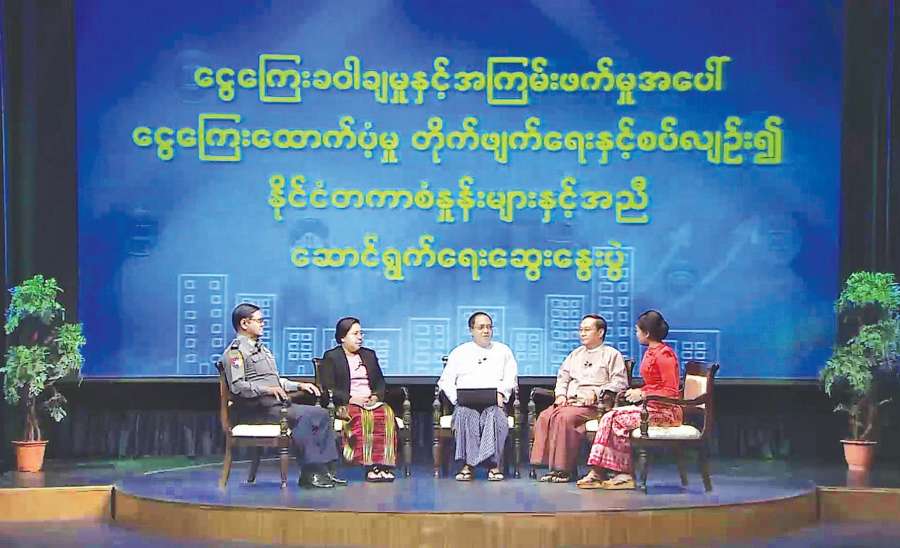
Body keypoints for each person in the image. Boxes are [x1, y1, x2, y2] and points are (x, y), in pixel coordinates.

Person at [221, 303, 341, 488]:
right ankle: (310, 473)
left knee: (322, 414)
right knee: (303, 417)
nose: (263, 324)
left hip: (275, 406)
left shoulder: (263, 350)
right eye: (259, 320)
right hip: (255, 409)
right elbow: (238, 386)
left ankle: (326, 471)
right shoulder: (235, 353)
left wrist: (299, 385)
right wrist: (267, 390)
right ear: (244, 323)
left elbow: (277, 381)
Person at [577, 310, 682, 490]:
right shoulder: (651, 352)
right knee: (609, 416)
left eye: (637, 331)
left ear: (646, 333)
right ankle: (598, 471)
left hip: (666, 412)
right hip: (650, 408)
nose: (636, 334)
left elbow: (670, 391)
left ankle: (624, 474)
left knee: (618, 420)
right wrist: (641, 391)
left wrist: (643, 394)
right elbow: (654, 385)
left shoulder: (665, 355)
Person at [530, 314, 628, 483]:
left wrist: (597, 393)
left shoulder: (612, 354)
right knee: (546, 416)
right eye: (581, 330)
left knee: (563, 418)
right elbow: (563, 377)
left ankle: (564, 470)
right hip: (571, 402)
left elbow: (619, 383)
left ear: (600, 332)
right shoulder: (575, 354)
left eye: (587, 330)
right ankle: (550, 466)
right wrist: (561, 394)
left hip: (595, 406)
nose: (582, 333)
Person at [437, 311, 518, 481]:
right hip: (466, 403)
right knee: (465, 415)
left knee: (495, 417)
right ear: (471, 330)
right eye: (481, 327)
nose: (486, 331)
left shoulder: (503, 351)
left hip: (494, 404)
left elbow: (511, 378)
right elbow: (445, 381)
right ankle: (469, 465)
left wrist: (501, 393)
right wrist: (457, 398)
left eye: (489, 327)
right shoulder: (459, 352)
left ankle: (493, 466)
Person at [320, 317, 398, 482]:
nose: (360, 337)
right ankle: (370, 465)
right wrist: (351, 399)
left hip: (370, 402)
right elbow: (328, 388)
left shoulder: (369, 355)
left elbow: (380, 382)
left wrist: (375, 396)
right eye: (355, 334)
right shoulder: (332, 357)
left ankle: (383, 465)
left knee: (386, 414)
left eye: (361, 333)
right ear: (343, 337)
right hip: (346, 404)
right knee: (364, 418)